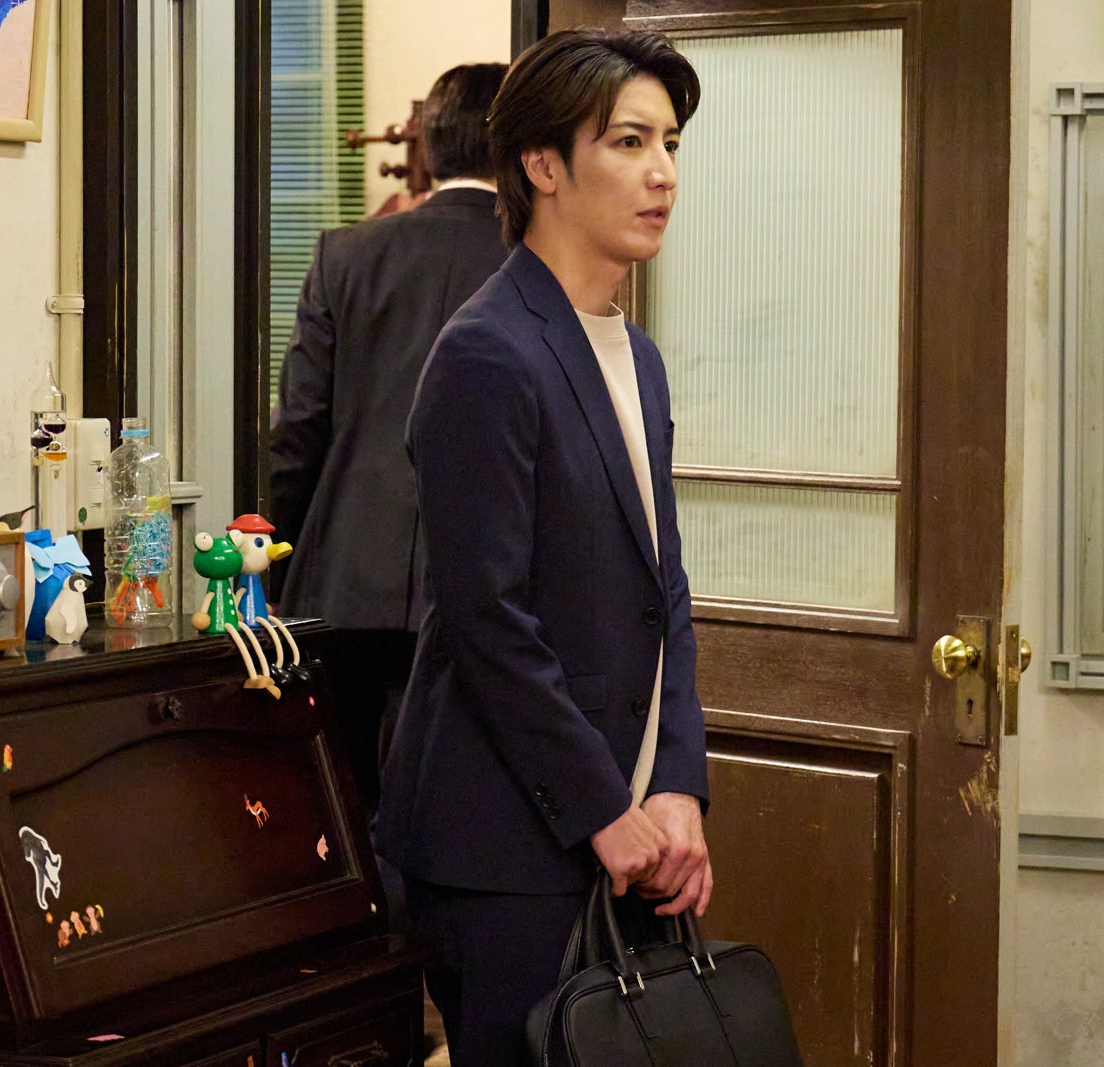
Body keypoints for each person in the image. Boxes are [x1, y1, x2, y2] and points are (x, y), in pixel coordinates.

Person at [374, 29, 711, 1064]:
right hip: (505, 843)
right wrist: (603, 806)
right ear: (542, 165)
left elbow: (665, 588)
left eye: (670, 142)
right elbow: (489, 620)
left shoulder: (636, 356)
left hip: (630, 827)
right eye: (628, 141)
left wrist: (678, 783)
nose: (662, 171)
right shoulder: (486, 351)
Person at [268, 62, 509, 820]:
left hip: (340, 577)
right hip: (480, 586)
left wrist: (274, 564)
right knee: (453, 814)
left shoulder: (345, 255)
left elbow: (297, 430)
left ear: (426, 146)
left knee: (339, 807)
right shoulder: (535, 265)